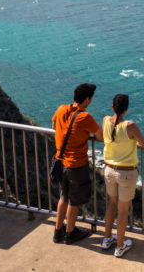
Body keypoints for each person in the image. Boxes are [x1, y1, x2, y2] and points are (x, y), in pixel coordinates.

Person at [51, 83, 103, 244]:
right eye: (91, 98)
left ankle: (58, 231)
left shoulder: (61, 109)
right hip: (76, 164)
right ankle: (70, 233)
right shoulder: (84, 117)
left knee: (63, 196)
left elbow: (54, 125)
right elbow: (100, 137)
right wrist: (84, 135)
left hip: (60, 161)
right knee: (74, 201)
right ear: (87, 99)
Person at [100, 93, 144, 258]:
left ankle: (107, 239)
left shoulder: (106, 119)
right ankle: (120, 246)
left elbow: (108, 136)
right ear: (127, 108)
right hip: (126, 173)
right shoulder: (131, 126)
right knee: (123, 210)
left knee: (111, 204)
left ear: (112, 107)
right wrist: (133, 142)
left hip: (109, 170)